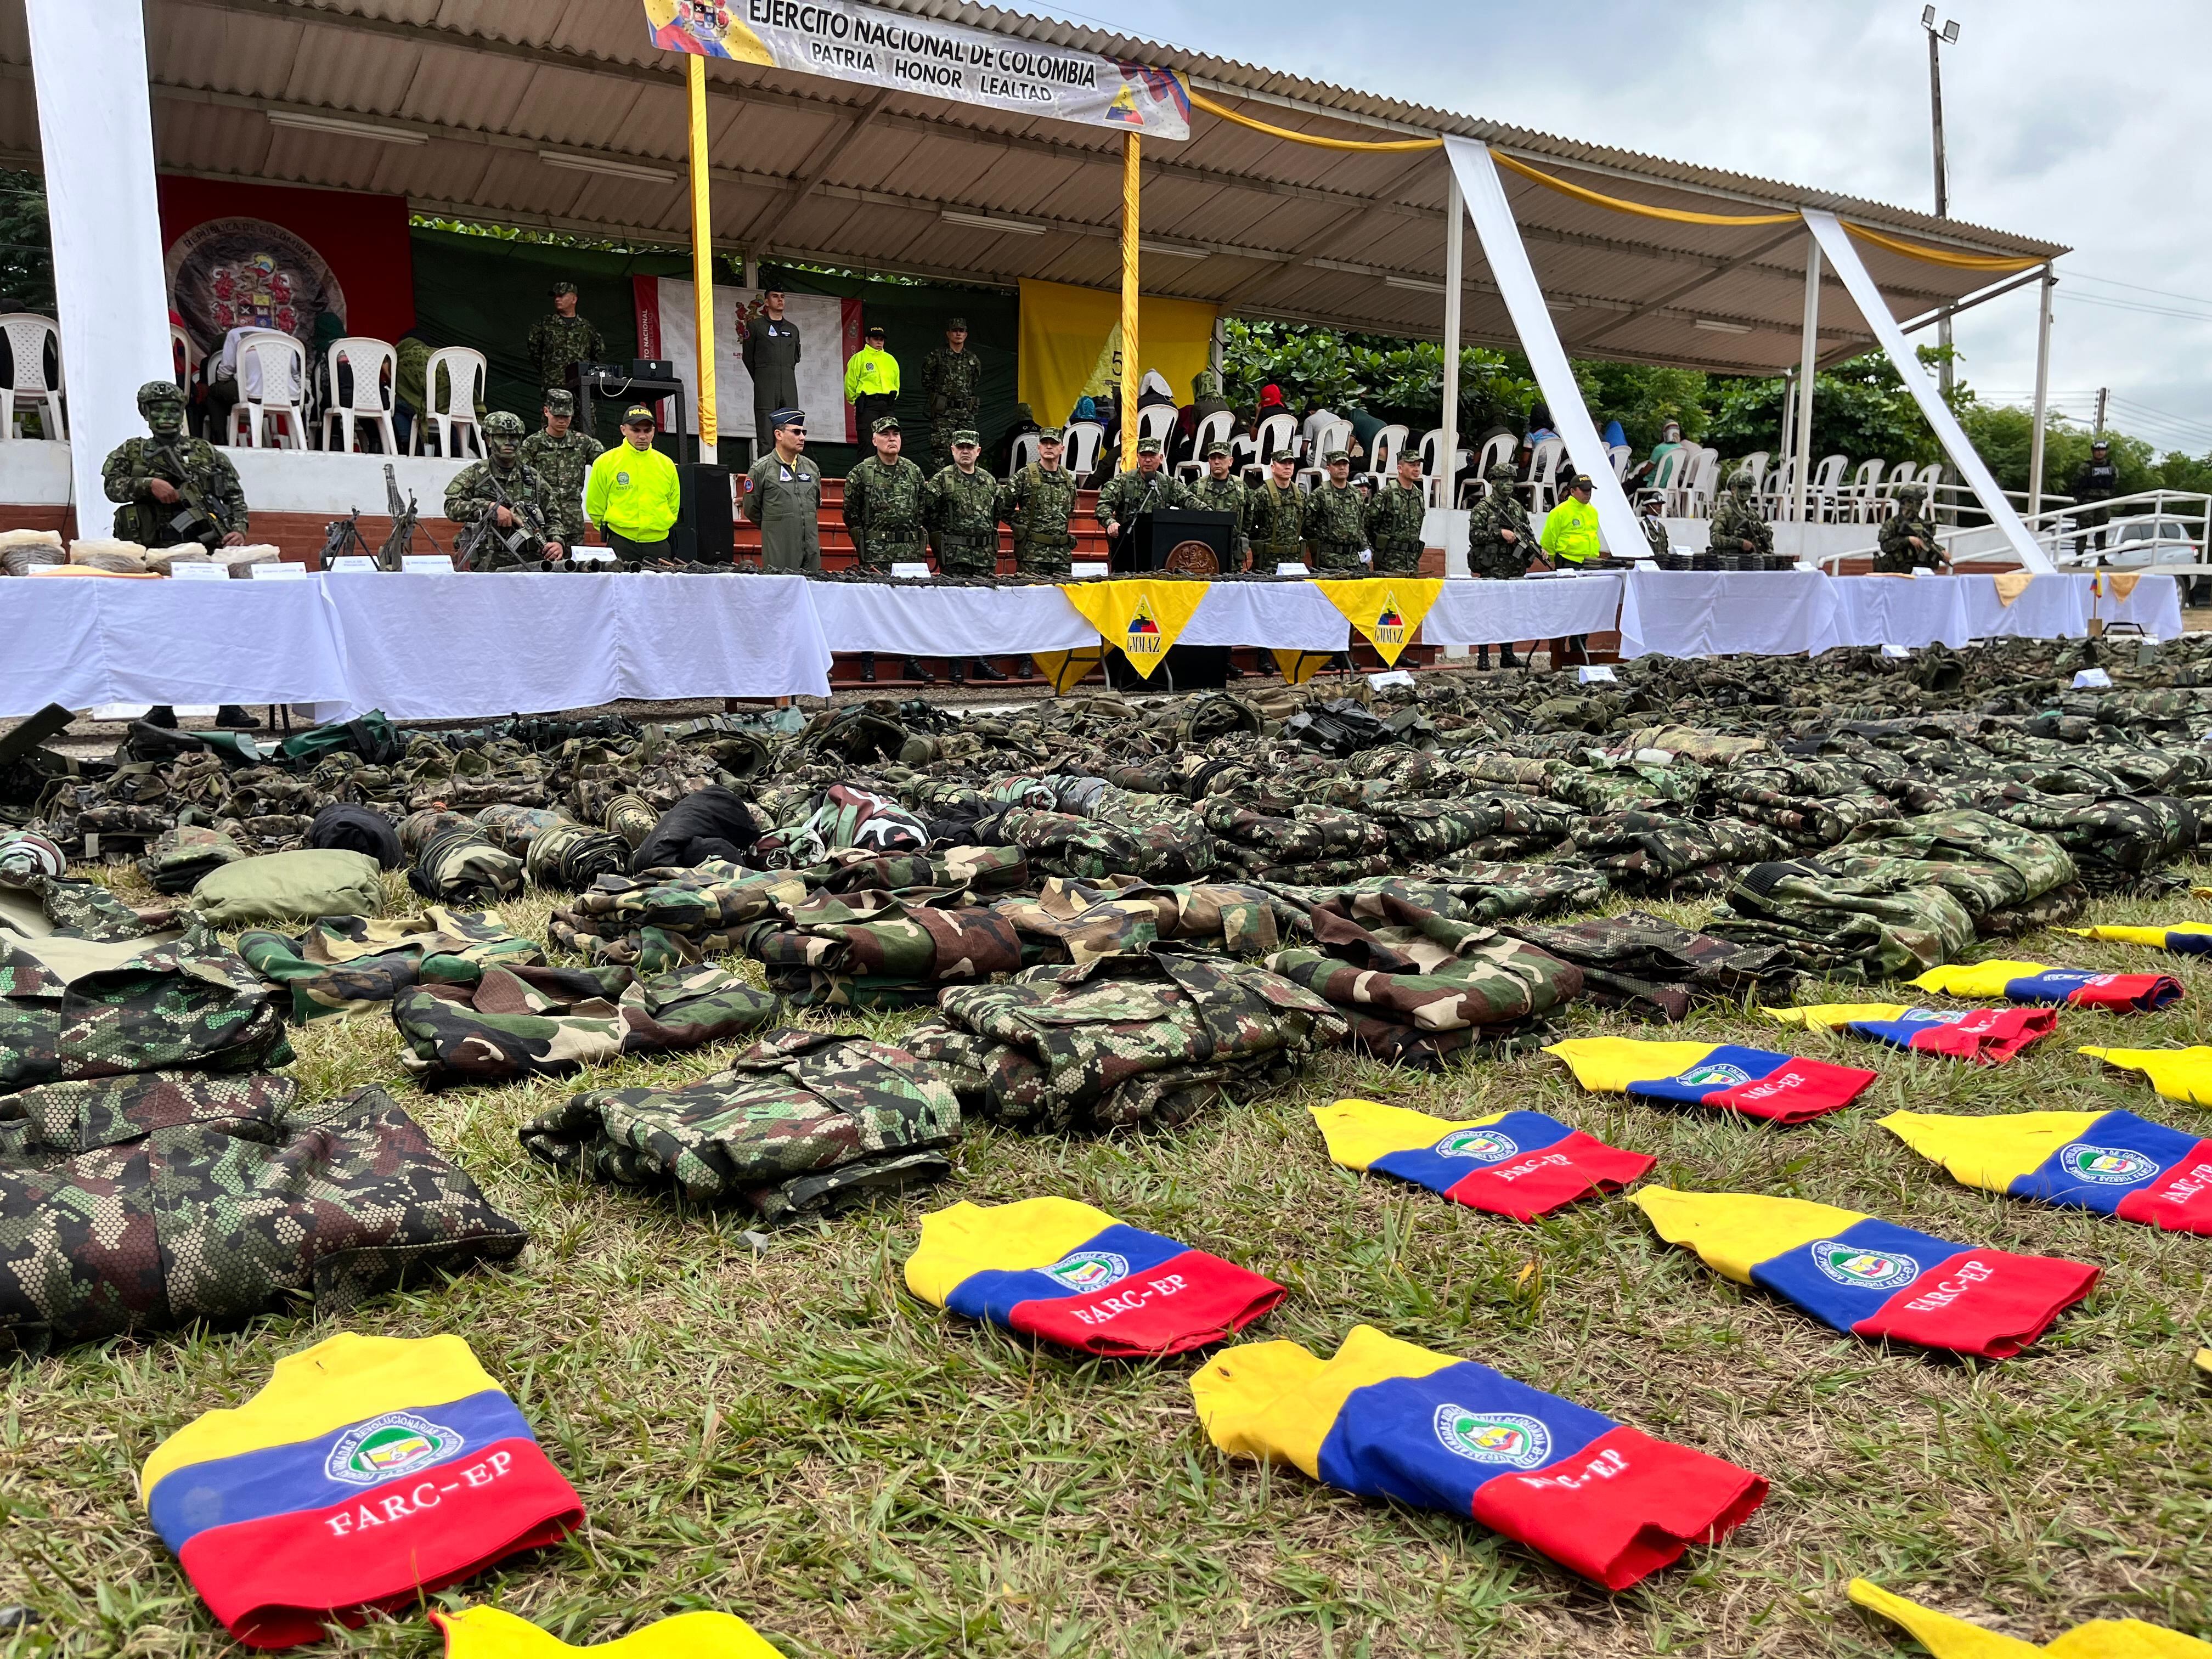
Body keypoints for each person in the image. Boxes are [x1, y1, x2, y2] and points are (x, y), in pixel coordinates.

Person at [103, 380, 255, 731]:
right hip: (155, 556)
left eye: (174, 410)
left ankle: (229, 704)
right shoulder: (132, 452)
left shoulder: (207, 453)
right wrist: (148, 486)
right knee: (159, 632)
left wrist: (239, 529)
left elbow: (234, 496)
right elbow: (112, 487)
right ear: (146, 414)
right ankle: (161, 706)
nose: (167, 417)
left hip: (204, 556)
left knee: (216, 629)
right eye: (158, 410)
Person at [841, 415, 933, 684]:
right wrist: (865, 541)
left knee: (909, 607)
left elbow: (922, 509)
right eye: (886, 434)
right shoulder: (862, 472)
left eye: (896, 434)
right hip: (877, 550)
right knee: (873, 605)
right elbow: (851, 513)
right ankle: (868, 662)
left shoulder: (913, 471)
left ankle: (910, 661)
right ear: (875, 440)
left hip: (908, 552)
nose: (892, 439)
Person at [925, 428, 1007, 681]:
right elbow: (929, 514)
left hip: (982, 556)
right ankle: (957, 665)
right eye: (960, 447)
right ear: (952, 450)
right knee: (956, 611)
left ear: (978, 451)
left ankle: (981, 661)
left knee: (982, 610)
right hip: (956, 555)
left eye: (969, 448)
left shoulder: (989, 481)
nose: (965, 452)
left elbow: (996, 515)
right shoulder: (942, 479)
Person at [445, 411, 564, 571]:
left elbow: (554, 516)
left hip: (530, 564)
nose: (509, 443)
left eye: (514, 437)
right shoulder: (476, 474)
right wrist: (489, 508)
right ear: (488, 439)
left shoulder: (532, 477)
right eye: (501, 437)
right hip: (487, 564)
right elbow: (451, 506)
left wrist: (557, 542)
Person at [584, 404, 680, 563]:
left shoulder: (667, 464)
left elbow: (674, 504)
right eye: (636, 430)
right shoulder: (605, 462)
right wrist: (614, 528)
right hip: (621, 542)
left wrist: (661, 524)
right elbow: (595, 504)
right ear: (623, 430)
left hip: (659, 543)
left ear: (654, 431)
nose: (642, 436)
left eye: (647, 431)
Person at [1465, 460, 1531, 669]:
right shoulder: (1483, 508)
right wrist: (1499, 534)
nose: (1509, 484)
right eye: (1504, 480)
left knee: (1509, 613)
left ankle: (1507, 654)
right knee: (1487, 612)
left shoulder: (1517, 507)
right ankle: (1483, 656)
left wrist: (1536, 546)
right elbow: (1474, 536)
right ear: (1494, 482)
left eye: (1511, 480)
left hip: (1513, 567)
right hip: (1492, 568)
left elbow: (1527, 533)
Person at [741, 408, 822, 574]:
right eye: (797, 432)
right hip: (780, 549)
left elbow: (815, 505)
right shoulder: (762, 469)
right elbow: (751, 509)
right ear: (779, 435)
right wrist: (777, 527)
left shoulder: (811, 468)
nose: (802, 437)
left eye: (803, 432)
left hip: (811, 549)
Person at [522, 388, 603, 551]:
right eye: (557, 416)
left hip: (573, 522)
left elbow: (608, 466)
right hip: (543, 520)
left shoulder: (584, 443)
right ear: (547, 411)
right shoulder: (533, 444)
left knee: (575, 567)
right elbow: (519, 478)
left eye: (566, 416)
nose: (562, 420)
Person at [999, 426, 1079, 579]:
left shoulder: (1068, 479)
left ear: (1062, 448)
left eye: (1054, 443)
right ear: (1039, 447)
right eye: (1045, 443)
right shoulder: (1025, 475)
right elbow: (1004, 508)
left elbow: (1070, 509)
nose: (1049, 447)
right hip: (1032, 555)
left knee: (1062, 599)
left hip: (1061, 556)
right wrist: (1021, 526)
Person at [1096, 435, 1188, 554]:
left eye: (1152, 456)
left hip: (1157, 545)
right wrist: (1111, 523)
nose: (1148, 460)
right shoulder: (1124, 481)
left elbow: (1190, 501)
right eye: (1144, 456)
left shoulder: (1169, 484)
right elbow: (1103, 506)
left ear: (1160, 458)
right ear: (1138, 458)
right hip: (1128, 543)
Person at [744, 276, 802, 460]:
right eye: (775, 296)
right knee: (766, 430)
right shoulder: (755, 327)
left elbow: (795, 359)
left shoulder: (792, 329)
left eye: (783, 297)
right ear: (767, 301)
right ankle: (766, 471)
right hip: (765, 383)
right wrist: (763, 376)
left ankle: (792, 467)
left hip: (788, 382)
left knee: (792, 427)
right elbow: (748, 358)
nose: (780, 300)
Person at [524, 281, 606, 412]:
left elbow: (598, 353)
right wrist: (550, 372)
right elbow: (534, 352)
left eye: (562, 295)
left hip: (581, 389)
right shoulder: (545, 324)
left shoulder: (586, 328)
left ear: (574, 299)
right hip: (554, 387)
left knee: (584, 428)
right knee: (554, 427)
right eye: (555, 296)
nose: (557, 299)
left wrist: (586, 375)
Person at [921, 315, 981, 474]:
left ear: (966, 334)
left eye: (962, 331)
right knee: (940, 451)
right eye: (955, 331)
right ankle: (939, 486)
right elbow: (927, 381)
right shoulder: (936, 357)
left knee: (968, 448)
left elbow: (974, 382)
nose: (958, 334)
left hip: (965, 412)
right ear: (948, 334)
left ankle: (965, 482)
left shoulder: (972, 360)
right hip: (944, 412)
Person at [1184, 440, 1251, 569]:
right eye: (1213, 458)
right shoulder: (1197, 487)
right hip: (1203, 555)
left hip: (1233, 558)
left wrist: (1243, 539)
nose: (1217, 462)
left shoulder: (1241, 488)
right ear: (1208, 461)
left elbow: (1249, 517)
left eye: (1221, 457)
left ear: (1230, 461)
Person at [1366, 450, 1429, 576]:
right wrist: (1380, 546)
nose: (1416, 469)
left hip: (1411, 561)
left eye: (1418, 465)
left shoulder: (1418, 495)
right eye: (1412, 465)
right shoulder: (1387, 494)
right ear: (1400, 468)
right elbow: (1368, 524)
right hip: (1389, 562)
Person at [1246, 450, 1305, 571]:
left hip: (1294, 562)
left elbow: (1307, 524)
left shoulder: (1300, 495)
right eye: (1283, 463)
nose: (1287, 466)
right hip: (1268, 562)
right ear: (1273, 467)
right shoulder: (1262, 494)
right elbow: (1249, 526)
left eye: (1290, 463)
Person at [1874, 482, 1947, 574]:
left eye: (1921, 502)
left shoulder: (1923, 524)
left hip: (1919, 570)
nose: (1919, 505)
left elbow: (1928, 544)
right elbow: (1885, 546)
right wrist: (1908, 540)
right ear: (1906, 502)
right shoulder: (1892, 523)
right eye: (1917, 502)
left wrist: (1942, 552)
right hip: (1898, 571)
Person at [1708, 468, 1774, 558]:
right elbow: (1715, 539)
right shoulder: (1725, 513)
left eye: (1749, 488)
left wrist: (1765, 532)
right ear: (1733, 490)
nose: (1746, 491)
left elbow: (1765, 534)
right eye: (1742, 487)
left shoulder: (1753, 514)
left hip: (1752, 559)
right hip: (1731, 560)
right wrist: (1741, 543)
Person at [2070, 438, 2120, 553]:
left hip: (2104, 502)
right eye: (2097, 450)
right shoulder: (2085, 467)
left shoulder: (2111, 467)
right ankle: (2079, 557)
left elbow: (2114, 483)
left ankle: (2102, 557)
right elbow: (2076, 483)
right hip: (2088, 501)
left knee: (2102, 530)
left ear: (2106, 451)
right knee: (2083, 530)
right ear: (2093, 451)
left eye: (2102, 450)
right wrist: (2080, 498)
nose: (2100, 452)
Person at [1637, 489, 1671, 559]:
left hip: (1662, 563)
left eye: (1660, 504)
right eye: (1656, 504)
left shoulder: (1661, 527)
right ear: (1648, 506)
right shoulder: (1643, 526)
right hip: (1650, 562)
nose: (1660, 506)